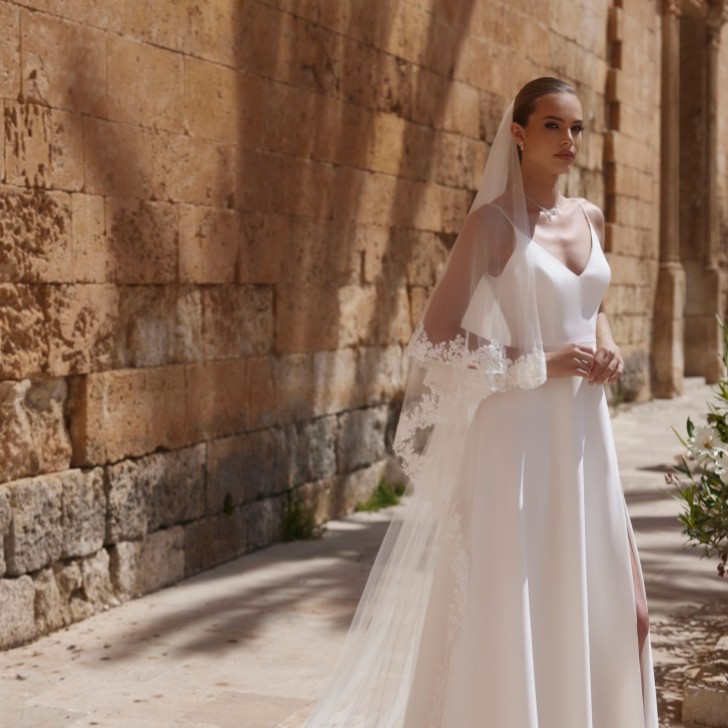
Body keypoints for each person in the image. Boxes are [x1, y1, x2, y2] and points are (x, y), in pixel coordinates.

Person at [301, 77, 659, 728]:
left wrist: (609, 351)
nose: (569, 140)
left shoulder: (590, 218)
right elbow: (434, 337)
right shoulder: (492, 225)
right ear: (518, 134)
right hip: (518, 436)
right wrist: (536, 364)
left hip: (585, 436)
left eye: (577, 127)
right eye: (553, 125)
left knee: (618, 606)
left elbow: (593, 310)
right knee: (512, 602)